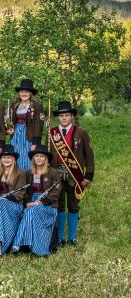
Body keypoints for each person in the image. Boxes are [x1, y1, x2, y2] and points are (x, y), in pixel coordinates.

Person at [50, 100, 95, 246]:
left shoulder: (81, 133)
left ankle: (72, 237)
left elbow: (89, 155)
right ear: (58, 117)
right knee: (59, 204)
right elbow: (47, 156)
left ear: (72, 116)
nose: (64, 118)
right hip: (56, 174)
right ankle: (60, 237)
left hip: (75, 174)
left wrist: (88, 175)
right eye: (61, 115)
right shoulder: (52, 133)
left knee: (73, 204)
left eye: (67, 115)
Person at [11, 145, 62, 256]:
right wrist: (27, 203)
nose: (39, 158)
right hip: (31, 204)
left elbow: (55, 194)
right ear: (33, 158)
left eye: (41, 156)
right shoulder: (28, 173)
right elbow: (24, 192)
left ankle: (18, 243)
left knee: (32, 211)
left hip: (48, 206)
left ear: (46, 159)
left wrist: (38, 203)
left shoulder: (53, 173)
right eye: (36, 156)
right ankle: (26, 244)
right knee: (28, 211)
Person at [8, 79, 44, 171]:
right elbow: (10, 120)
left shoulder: (37, 106)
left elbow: (38, 125)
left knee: (27, 158)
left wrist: (35, 142)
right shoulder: (14, 105)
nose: (24, 94)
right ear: (19, 93)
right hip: (16, 135)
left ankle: (28, 177)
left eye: (26, 92)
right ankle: (16, 177)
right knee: (15, 156)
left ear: (31, 93)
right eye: (22, 91)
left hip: (29, 135)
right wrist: (9, 129)